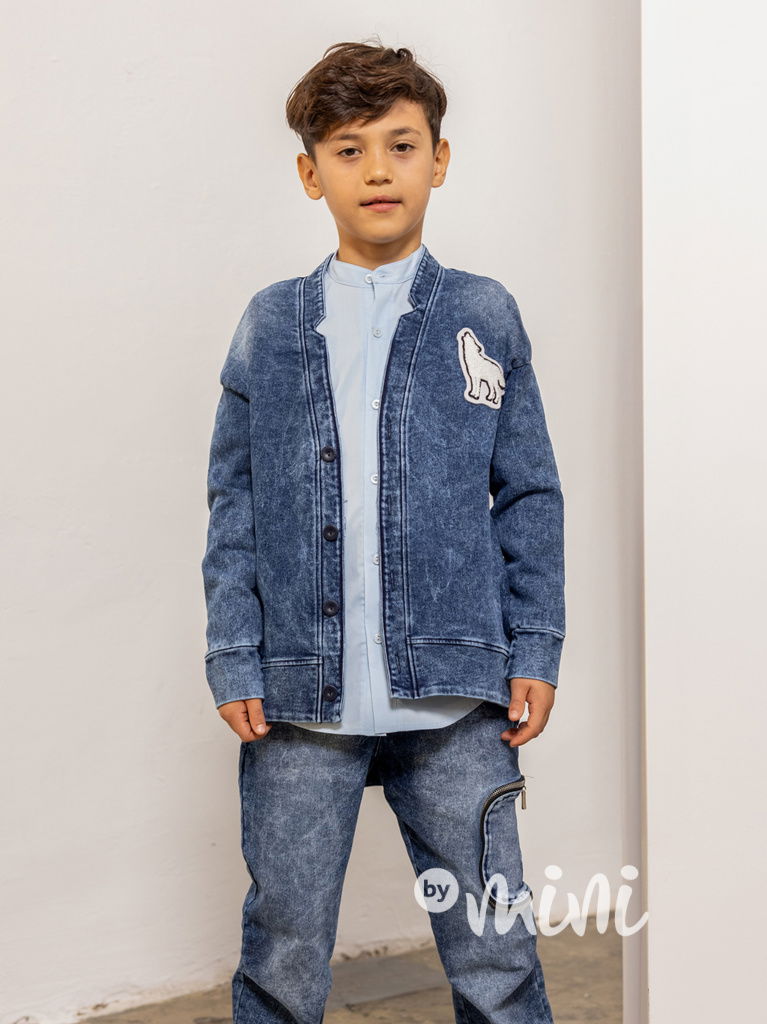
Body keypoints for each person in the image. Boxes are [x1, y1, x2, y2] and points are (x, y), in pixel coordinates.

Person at [201, 38, 565, 1024]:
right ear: (308, 172)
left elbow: (528, 494)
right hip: (298, 701)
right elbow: (233, 502)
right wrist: (234, 653)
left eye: (400, 146)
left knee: (495, 950)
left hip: (456, 699)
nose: (376, 171)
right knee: (281, 954)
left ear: (437, 160)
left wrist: (534, 646)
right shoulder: (270, 325)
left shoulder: (482, 314)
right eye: (348, 149)